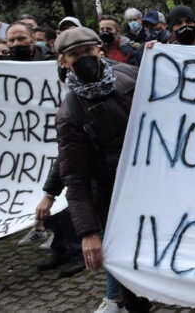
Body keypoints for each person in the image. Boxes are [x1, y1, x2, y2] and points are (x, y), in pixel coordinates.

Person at [54, 27, 150, 313]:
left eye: (87, 51)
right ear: (63, 61)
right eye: (74, 54)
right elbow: (75, 177)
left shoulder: (128, 75)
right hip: (114, 200)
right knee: (129, 274)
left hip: (153, 185)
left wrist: (160, 56)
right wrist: (88, 233)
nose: (83, 58)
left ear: (99, 49)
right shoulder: (70, 113)